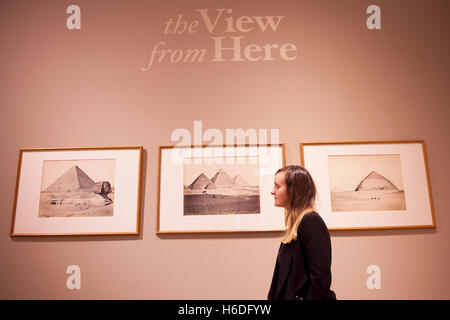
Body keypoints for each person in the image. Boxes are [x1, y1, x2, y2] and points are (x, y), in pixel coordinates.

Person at [268, 165, 335, 300]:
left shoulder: (310, 221)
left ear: (294, 190)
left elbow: (320, 279)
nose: (272, 191)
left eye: (277, 186)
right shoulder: (296, 223)